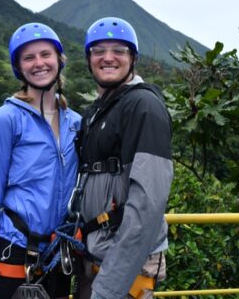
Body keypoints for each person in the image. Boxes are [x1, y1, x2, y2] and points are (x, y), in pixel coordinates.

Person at [0, 22, 81, 299]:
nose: (39, 63)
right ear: (19, 67)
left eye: (45, 55)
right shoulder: (6, 120)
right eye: (29, 57)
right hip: (13, 251)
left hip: (58, 254)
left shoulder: (75, 122)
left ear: (59, 60)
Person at [72, 17, 173, 299]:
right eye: (99, 50)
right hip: (96, 255)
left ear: (133, 58)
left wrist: (109, 288)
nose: (108, 58)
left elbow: (147, 203)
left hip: (124, 266)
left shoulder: (144, 106)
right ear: (89, 58)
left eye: (119, 50)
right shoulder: (97, 112)